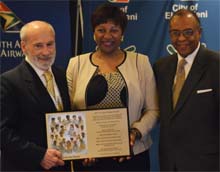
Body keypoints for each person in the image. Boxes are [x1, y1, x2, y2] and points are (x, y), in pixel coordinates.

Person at [66, 3, 159, 172]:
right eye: (101, 30)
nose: (107, 36)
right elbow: (69, 112)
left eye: (114, 30)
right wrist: (81, 146)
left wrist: (135, 133)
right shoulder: (76, 64)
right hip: (89, 158)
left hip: (133, 154)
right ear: (93, 33)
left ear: (122, 33)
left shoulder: (141, 62)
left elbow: (153, 110)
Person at [153, 9, 219, 171]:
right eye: (175, 33)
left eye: (188, 32)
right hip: (169, 163)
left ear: (199, 33)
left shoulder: (216, 64)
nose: (181, 38)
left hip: (207, 164)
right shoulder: (161, 67)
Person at [0, 21, 71, 171]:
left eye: (50, 44)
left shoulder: (63, 76)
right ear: (23, 47)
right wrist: (39, 155)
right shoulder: (8, 81)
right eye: (38, 45)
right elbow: (3, 132)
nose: (46, 52)